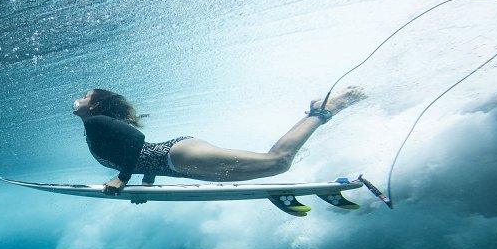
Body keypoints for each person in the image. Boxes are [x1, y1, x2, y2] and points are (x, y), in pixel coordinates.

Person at [73, 86, 365, 196]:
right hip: (178, 160)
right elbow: (137, 152)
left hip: (181, 156)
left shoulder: (96, 122)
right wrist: (146, 184)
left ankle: (324, 109)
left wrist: (122, 180)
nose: (79, 99)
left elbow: (138, 139)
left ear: (95, 107)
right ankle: (311, 124)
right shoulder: (96, 125)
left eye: (85, 97)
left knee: (278, 163)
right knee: (276, 165)